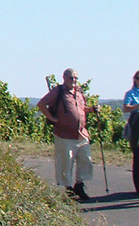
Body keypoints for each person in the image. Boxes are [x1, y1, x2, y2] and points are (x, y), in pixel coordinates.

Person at [37, 68, 98, 200]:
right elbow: (41, 104)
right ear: (64, 78)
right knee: (66, 162)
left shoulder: (79, 92)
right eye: (71, 77)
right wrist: (52, 119)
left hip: (81, 133)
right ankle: (68, 189)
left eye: (76, 78)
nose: (74, 80)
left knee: (85, 160)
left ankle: (79, 185)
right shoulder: (58, 91)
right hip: (64, 134)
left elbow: (81, 108)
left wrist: (91, 110)